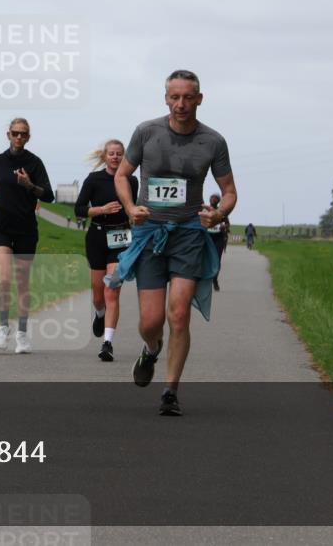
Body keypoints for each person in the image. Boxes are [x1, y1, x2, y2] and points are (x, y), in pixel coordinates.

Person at [110, 69, 237, 416]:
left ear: (199, 99)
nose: (181, 104)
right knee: (151, 322)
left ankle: (170, 391)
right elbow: (122, 175)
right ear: (166, 99)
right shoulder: (146, 132)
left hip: (189, 234)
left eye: (188, 97)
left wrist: (218, 215)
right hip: (150, 233)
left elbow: (229, 192)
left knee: (179, 314)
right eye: (175, 97)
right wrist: (130, 207)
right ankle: (151, 349)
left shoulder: (213, 141)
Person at [0, 118, 54, 354]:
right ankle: (3, 327)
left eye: (23, 134)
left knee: (22, 282)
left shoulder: (34, 163)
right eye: (15, 133)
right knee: (4, 278)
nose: (19, 137)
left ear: (28, 137)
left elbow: (48, 195)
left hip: (26, 229)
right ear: (8, 135)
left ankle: (21, 333)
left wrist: (29, 185)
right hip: (1, 226)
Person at [75, 140, 138, 362]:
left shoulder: (131, 180)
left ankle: (107, 343)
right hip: (97, 237)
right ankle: (99, 314)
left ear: (124, 157)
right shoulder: (94, 179)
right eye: (111, 153)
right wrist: (102, 209)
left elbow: (134, 206)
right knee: (98, 295)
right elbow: (79, 209)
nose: (115, 157)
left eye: (119, 154)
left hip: (121, 239)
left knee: (112, 291)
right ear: (104, 156)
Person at [206, 193, 231, 291]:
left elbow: (228, 224)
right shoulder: (205, 210)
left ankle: (215, 279)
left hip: (218, 238)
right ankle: (206, 280)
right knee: (205, 259)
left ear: (219, 201)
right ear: (209, 199)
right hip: (207, 237)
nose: (213, 199)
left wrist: (224, 226)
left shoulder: (221, 212)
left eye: (216, 198)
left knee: (216, 260)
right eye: (212, 197)